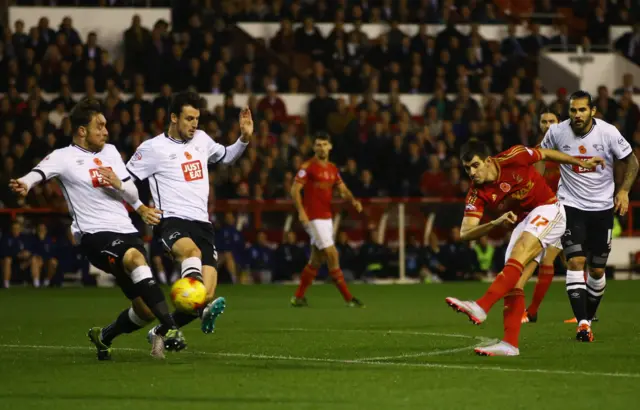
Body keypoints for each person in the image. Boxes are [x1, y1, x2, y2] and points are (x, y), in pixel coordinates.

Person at [9, 98, 184, 360]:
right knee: (136, 258)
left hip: (125, 230)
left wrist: (120, 185)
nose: (105, 131)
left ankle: (104, 337)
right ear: (82, 130)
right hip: (94, 235)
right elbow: (39, 172)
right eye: (99, 126)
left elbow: (131, 190)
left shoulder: (111, 152)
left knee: (145, 311)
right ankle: (171, 329)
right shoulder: (64, 157)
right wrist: (25, 182)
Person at [445, 140, 603, 356]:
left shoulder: (514, 156)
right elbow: (465, 233)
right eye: (466, 168)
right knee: (513, 282)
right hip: (525, 221)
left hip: (549, 209)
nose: (471, 172)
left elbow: (546, 154)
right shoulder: (476, 192)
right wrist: (494, 223)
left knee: (519, 251)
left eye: (474, 165)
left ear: (488, 161)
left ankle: (482, 306)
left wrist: (580, 163)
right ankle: (510, 344)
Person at [125, 91, 252, 340]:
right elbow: (125, 179)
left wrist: (244, 139)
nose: (194, 125)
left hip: (202, 223)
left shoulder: (202, 140)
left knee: (204, 296)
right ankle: (186, 312)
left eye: (197, 119)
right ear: (173, 117)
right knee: (191, 254)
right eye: (189, 119)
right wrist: (141, 207)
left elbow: (226, 156)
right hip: (171, 220)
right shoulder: (152, 148)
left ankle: (159, 332)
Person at [540, 90, 639, 341]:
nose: (577, 115)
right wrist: (537, 188)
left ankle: (588, 317)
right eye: (573, 110)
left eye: (582, 110)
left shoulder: (608, 132)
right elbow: (539, 157)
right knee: (575, 262)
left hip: (602, 208)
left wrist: (624, 191)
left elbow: (633, 162)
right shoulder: (556, 132)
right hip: (570, 205)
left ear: (592, 111)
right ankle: (583, 324)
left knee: (596, 270)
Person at [290, 134, 364, 307]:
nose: (321, 148)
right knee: (332, 254)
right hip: (312, 218)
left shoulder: (332, 169)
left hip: (326, 218)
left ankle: (298, 297)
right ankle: (348, 298)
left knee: (316, 259)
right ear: (314, 147)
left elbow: (343, 189)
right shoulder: (308, 167)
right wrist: (301, 212)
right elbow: (295, 190)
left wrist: (353, 201)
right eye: (318, 145)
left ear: (330, 147)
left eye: (324, 144)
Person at [519, 108, 563, 324]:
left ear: (559, 123)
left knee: (574, 260)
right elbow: (535, 181)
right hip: (548, 210)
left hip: (568, 208)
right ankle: (531, 310)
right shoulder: (536, 152)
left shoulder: (568, 147)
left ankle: (585, 312)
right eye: (544, 122)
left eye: (552, 121)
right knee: (546, 258)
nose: (547, 125)